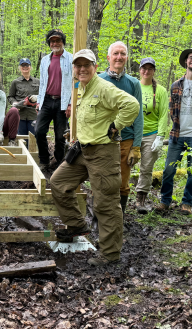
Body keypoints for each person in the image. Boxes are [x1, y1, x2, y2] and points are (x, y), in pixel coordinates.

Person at [50, 49, 139, 266]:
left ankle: (110, 253)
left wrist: (116, 126)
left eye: (86, 65)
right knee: (59, 182)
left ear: (95, 67)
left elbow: (132, 105)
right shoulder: (82, 88)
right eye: (78, 65)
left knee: (105, 203)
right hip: (83, 150)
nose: (82, 69)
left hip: (103, 153)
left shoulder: (104, 87)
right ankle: (77, 225)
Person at [156, 48, 192, 215]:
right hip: (177, 135)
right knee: (168, 170)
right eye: (191, 58)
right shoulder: (176, 85)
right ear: (186, 61)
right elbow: (171, 109)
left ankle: (186, 203)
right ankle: (165, 201)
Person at [98, 41, 143, 217]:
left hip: (127, 139)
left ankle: (119, 217)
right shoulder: (99, 80)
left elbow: (138, 116)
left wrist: (136, 146)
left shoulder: (133, 83)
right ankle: (99, 216)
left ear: (126, 57)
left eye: (123, 54)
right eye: (115, 53)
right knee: (101, 180)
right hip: (102, 139)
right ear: (109, 57)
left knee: (123, 182)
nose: (119, 57)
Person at [135, 57, 169, 214]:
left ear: (153, 71)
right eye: (144, 68)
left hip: (151, 134)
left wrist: (160, 136)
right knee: (124, 165)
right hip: (133, 132)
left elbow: (163, 115)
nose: (146, 71)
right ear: (140, 70)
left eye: (150, 69)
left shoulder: (160, 91)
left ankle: (140, 200)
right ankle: (119, 196)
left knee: (146, 168)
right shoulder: (134, 86)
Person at [36, 29, 73, 172]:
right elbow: (43, 83)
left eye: (58, 40)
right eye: (52, 41)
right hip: (46, 100)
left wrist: (70, 103)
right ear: (49, 43)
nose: (55, 43)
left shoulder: (71, 58)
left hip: (62, 103)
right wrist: (39, 101)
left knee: (60, 136)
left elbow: (74, 83)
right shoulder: (45, 60)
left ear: (63, 42)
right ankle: (44, 161)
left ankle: (58, 162)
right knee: (39, 131)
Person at [7, 58, 40, 136]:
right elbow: (10, 96)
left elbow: (43, 96)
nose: (25, 67)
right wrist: (15, 103)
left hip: (33, 115)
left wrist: (37, 97)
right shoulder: (15, 82)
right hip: (20, 115)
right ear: (20, 68)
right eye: (23, 65)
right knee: (21, 138)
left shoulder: (38, 82)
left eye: (27, 65)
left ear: (30, 67)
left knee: (33, 138)